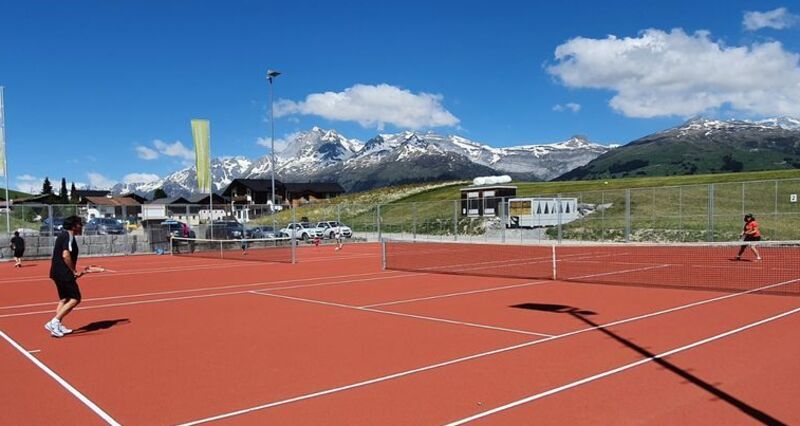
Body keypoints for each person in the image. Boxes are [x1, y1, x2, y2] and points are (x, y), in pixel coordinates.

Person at [44, 216, 84, 338]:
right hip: (63, 272)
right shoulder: (67, 236)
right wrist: (73, 270)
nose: (81, 226)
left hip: (57, 271)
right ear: (73, 226)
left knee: (64, 299)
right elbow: (65, 254)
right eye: (79, 224)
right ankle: (54, 322)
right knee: (75, 298)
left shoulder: (65, 235)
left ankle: (56, 325)